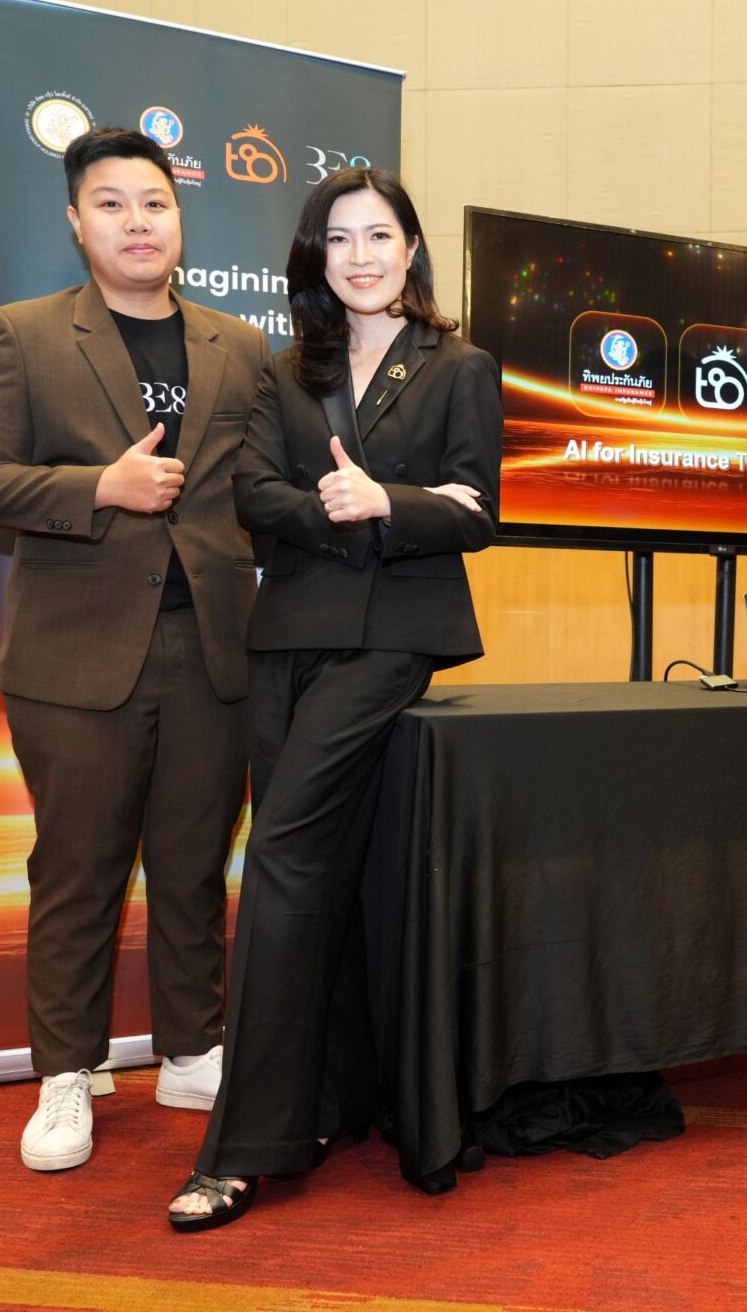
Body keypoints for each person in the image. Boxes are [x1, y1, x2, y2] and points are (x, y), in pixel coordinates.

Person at [166, 166, 502, 1231]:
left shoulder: (460, 367)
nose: (360, 256)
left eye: (379, 235)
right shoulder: (284, 371)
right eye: (339, 239)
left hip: (394, 640)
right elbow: (251, 495)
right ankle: (329, 1099)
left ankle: (242, 1146)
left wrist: (384, 500)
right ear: (316, 257)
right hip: (288, 641)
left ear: (412, 249)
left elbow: (476, 511)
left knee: (280, 858)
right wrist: (355, 508)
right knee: (327, 874)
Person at [0, 127, 269, 1170]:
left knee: (193, 864)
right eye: (113, 204)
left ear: (181, 219)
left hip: (214, 650)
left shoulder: (239, 346)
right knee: (78, 871)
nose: (138, 222)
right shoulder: (24, 335)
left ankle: (191, 1049)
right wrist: (101, 486)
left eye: (155, 204)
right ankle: (66, 1073)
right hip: (77, 660)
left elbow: (261, 490)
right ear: (75, 223)